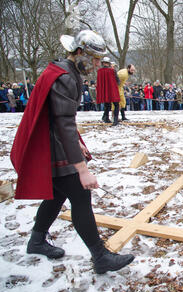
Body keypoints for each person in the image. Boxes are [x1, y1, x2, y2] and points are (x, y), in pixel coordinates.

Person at [9, 30, 134, 274]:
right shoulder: (65, 76)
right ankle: (100, 256)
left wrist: (77, 142)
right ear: (79, 53)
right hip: (53, 146)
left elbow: (61, 119)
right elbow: (63, 123)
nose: (98, 65)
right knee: (80, 195)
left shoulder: (64, 71)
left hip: (54, 142)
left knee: (56, 194)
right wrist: (82, 169)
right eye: (95, 59)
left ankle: (36, 240)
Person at [96, 56, 121, 125]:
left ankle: (106, 117)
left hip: (105, 90)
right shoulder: (112, 71)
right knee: (116, 104)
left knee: (107, 104)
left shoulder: (99, 71)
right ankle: (115, 120)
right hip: (112, 90)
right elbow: (117, 81)